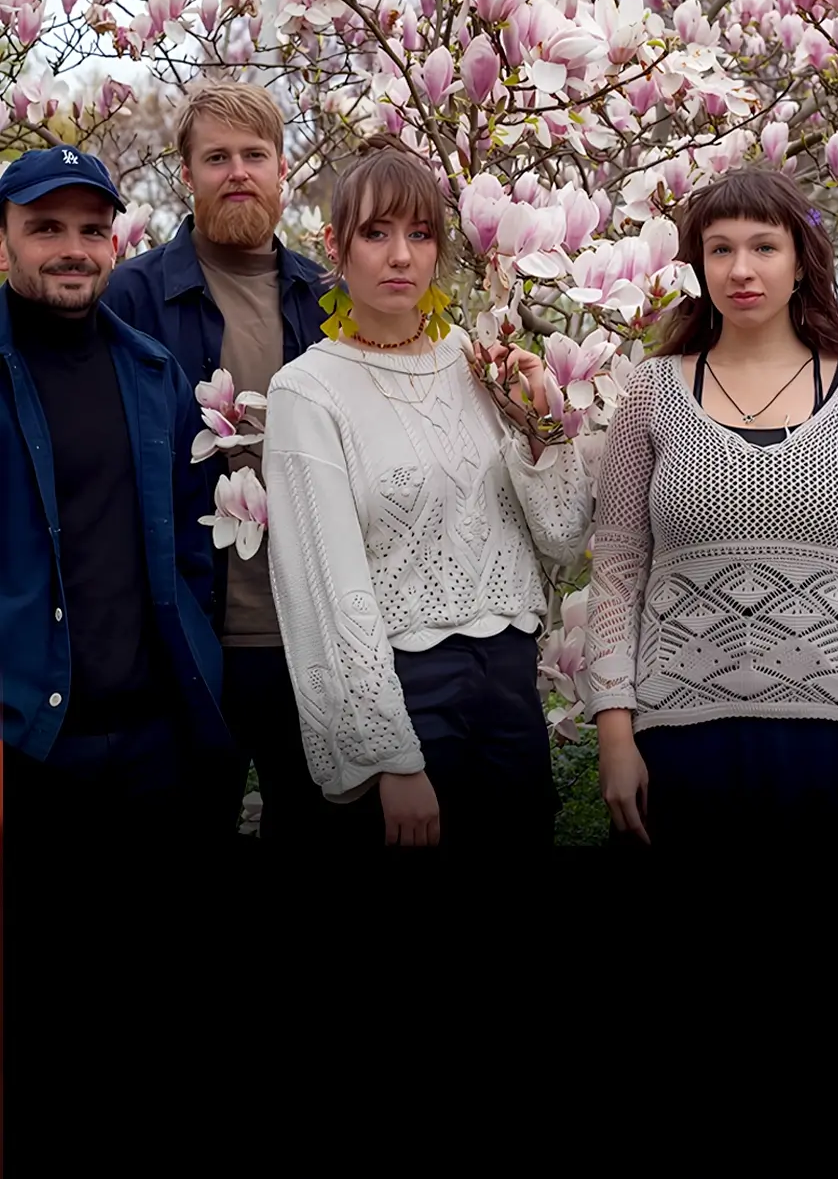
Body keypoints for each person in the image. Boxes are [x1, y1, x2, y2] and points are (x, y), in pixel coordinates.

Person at [260, 136, 593, 849]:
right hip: (407, 693)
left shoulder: (480, 366)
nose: (401, 255)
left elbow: (564, 538)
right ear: (336, 246)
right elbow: (327, 588)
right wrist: (391, 756)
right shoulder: (307, 392)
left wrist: (540, 426)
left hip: (509, 684)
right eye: (376, 234)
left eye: (419, 234)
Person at [584, 169, 838, 847]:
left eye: (764, 247)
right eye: (719, 249)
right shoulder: (653, 392)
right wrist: (614, 733)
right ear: (696, 266)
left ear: (800, 262)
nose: (741, 269)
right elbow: (617, 576)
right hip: (677, 741)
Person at [102, 81, 330, 844]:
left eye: (254, 155)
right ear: (185, 173)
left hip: (311, 631)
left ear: (282, 169)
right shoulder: (131, 298)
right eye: (217, 157)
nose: (237, 171)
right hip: (187, 639)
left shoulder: (327, 300)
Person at [0, 144, 236, 858]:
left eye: (93, 229)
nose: (73, 249)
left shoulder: (152, 373)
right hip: (28, 751)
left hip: (157, 748)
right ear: (3, 237)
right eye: (46, 228)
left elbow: (192, 558)